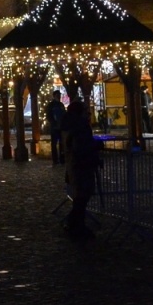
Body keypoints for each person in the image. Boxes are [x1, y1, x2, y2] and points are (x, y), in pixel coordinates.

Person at [62, 98, 99, 239]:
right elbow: (81, 146)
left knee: (80, 196)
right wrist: (94, 147)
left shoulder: (68, 125)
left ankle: (74, 223)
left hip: (74, 165)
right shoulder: (80, 126)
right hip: (82, 164)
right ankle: (76, 225)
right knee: (83, 195)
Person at [46, 90, 66, 164]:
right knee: (54, 144)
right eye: (58, 95)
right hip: (54, 127)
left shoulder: (61, 105)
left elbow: (64, 114)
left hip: (60, 127)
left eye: (59, 95)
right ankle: (55, 160)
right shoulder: (51, 105)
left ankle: (61, 159)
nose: (59, 96)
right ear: (54, 96)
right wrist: (54, 123)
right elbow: (49, 116)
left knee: (61, 143)